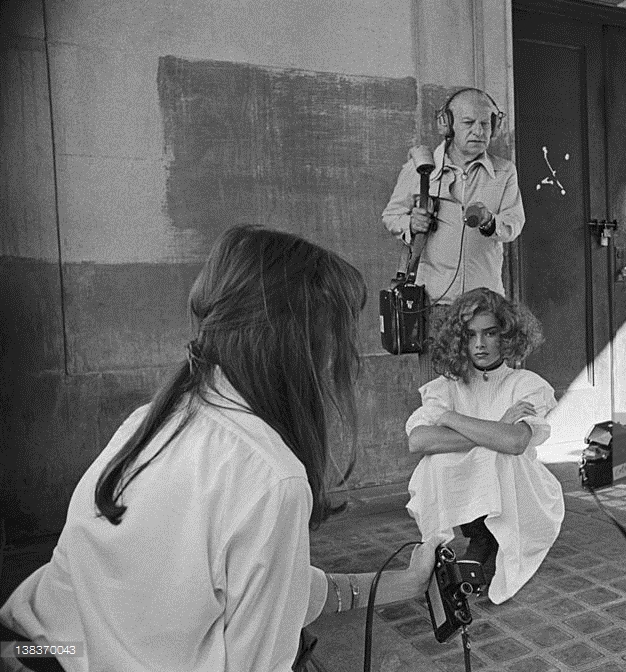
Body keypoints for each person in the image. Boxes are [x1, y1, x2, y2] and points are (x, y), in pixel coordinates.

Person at [0, 226, 438, 672]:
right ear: (301, 344)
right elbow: (258, 660)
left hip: (38, 651)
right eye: (340, 334)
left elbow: (244, 584)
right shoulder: (271, 478)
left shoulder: (152, 419)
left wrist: (405, 583)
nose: (344, 356)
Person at [405, 288, 563, 604]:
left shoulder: (527, 384)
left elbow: (515, 442)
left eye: (490, 333)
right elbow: (419, 441)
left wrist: (450, 419)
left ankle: (495, 541)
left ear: (507, 336)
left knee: (499, 456)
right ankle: (477, 539)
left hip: (521, 488)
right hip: (479, 483)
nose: (480, 344)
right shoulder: (446, 387)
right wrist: (498, 425)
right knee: (437, 460)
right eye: (470, 335)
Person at [381, 88, 525, 306]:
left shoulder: (505, 172)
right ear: (448, 125)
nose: (478, 131)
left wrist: (490, 222)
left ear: (494, 126)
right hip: (432, 302)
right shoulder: (419, 169)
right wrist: (410, 224)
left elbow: (514, 223)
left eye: (485, 124)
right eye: (468, 123)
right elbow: (391, 216)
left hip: (484, 303)